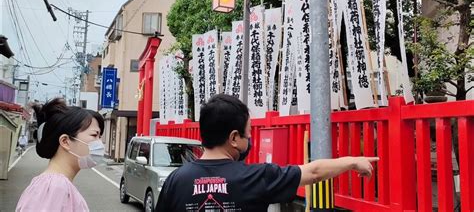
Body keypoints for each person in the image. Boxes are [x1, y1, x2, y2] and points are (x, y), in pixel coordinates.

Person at [156, 94, 378, 211]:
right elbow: (315, 172)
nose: (249, 139)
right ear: (234, 138)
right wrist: (352, 161)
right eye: (247, 133)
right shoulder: (256, 177)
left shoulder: (175, 181)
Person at [16, 98, 105, 212]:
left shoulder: (53, 184)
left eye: (100, 137)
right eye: (94, 135)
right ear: (65, 141)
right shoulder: (54, 187)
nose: (99, 143)